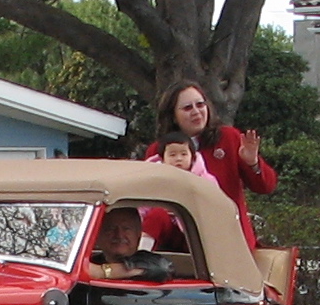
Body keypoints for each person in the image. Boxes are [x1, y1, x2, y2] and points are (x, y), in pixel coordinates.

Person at [146, 82, 276, 248]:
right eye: (187, 108)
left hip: (227, 241)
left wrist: (253, 163)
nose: (196, 112)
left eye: (200, 105)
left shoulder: (229, 138)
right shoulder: (158, 150)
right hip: (179, 245)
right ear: (173, 116)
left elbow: (266, 186)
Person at [141, 130, 216, 253]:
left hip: (191, 232)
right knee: (156, 215)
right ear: (162, 158)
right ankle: (142, 254)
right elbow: (143, 207)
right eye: (172, 155)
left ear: (192, 157)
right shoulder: (153, 179)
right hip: (163, 231)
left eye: (183, 154)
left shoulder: (205, 180)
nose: (178, 159)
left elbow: (214, 205)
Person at [90, 206, 172, 283]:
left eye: (126, 229)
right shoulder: (91, 262)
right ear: (97, 236)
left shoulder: (152, 261)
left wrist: (101, 272)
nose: (119, 235)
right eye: (110, 229)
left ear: (138, 234)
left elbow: (163, 268)